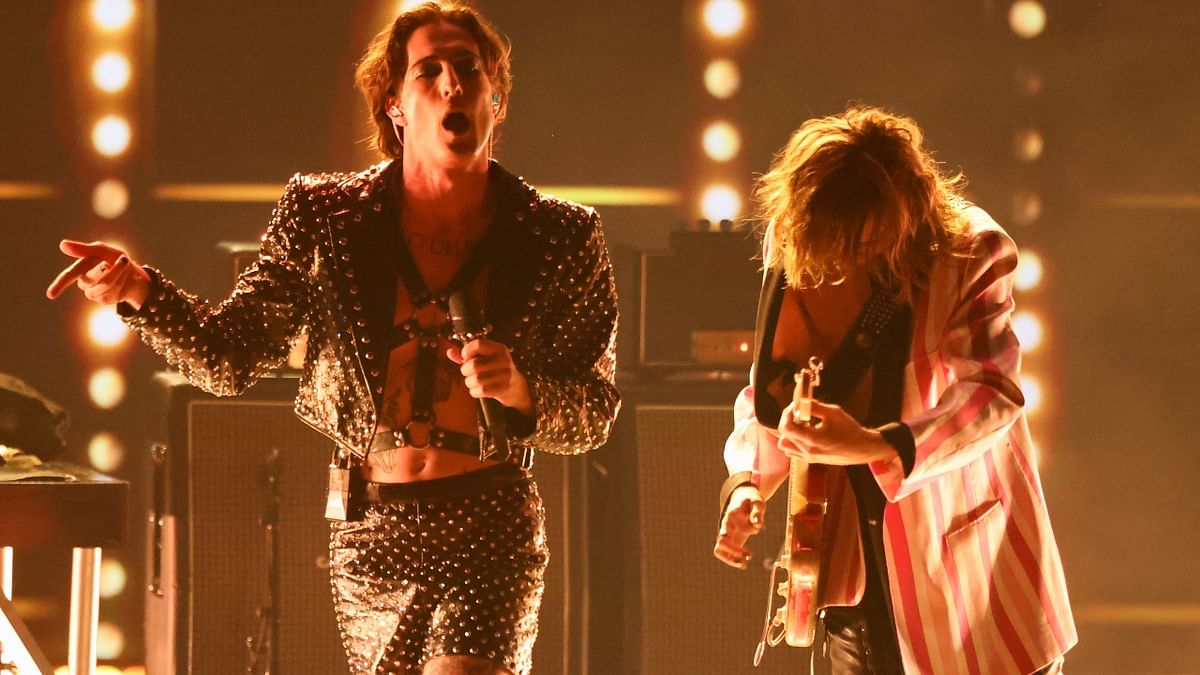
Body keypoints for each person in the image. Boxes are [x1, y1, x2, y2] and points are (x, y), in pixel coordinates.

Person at [46, 3, 620, 674]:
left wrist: (523, 390)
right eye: (428, 71)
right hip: (369, 531)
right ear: (396, 106)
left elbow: (595, 409)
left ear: (497, 96)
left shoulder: (560, 234)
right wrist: (140, 293)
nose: (451, 85)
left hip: (488, 523)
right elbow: (231, 357)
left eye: (468, 69)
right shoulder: (327, 216)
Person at [712, 106, 1076, 674]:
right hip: (849, 583)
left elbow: (992, 392)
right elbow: (772, 390)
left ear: (905, 210)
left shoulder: (971, 250)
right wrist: (746, 484)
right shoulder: (797, 242)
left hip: (964, 581)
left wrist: (877, 444)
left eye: (864, 239)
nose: (847, 257)